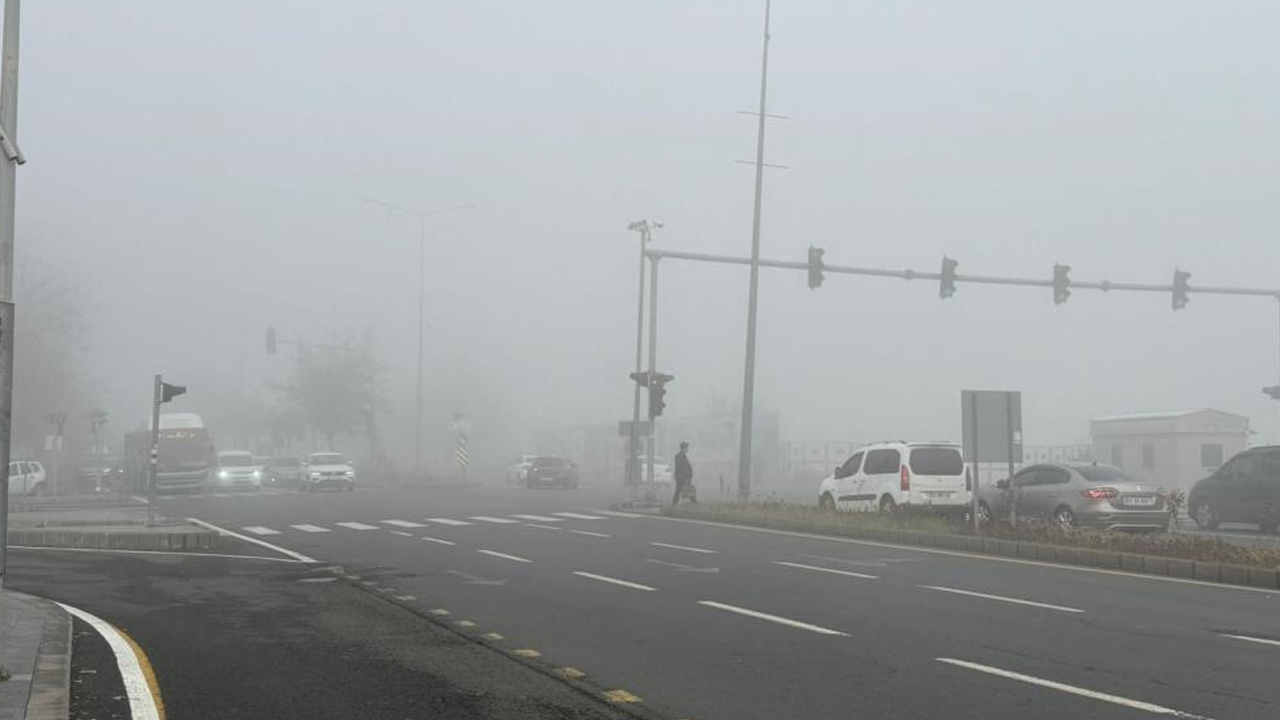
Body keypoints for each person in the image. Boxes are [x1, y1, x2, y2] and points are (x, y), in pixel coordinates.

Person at [673, 441, 694, 505]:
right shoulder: (679, 456)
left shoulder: (682, 456)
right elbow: (682, 468)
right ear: (683, 448)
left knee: (683, 489)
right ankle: (675, 502)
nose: (687, 450)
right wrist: (687, 477)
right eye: (686, 448)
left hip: (682, 477)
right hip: (682, 477)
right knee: (681, 489)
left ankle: (675, 502)